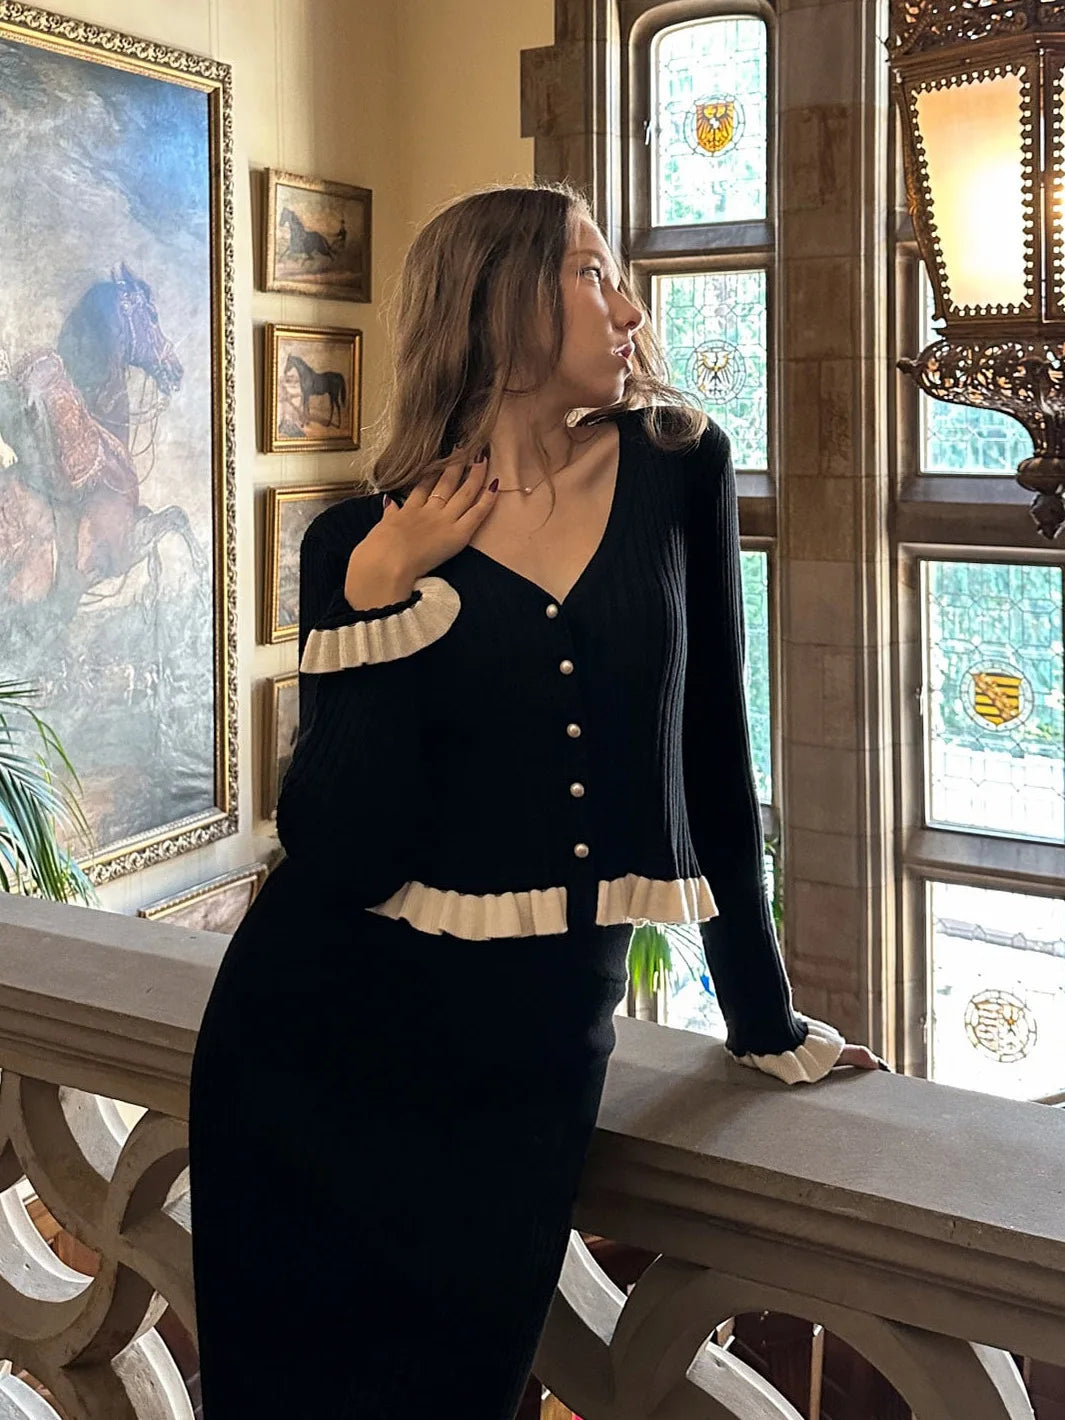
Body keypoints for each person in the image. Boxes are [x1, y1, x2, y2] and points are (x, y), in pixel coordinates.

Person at [188, 180, 882, 1419]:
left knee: (466, 1385)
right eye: (590, 273)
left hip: (525, 1055)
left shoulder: (681, 467)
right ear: (500, 301)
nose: (627, 308)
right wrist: (378, 594)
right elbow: (336, 842)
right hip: (311, 1041)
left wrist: (762, 1015)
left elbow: (713, 756)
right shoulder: (359, 532)